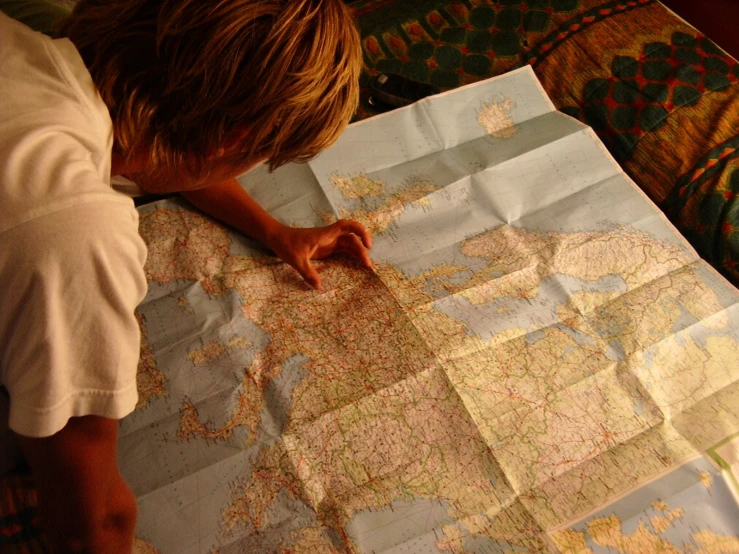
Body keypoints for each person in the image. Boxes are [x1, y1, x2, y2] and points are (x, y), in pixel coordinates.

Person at [0, 0, 371, 551]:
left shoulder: (23, 48)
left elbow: (167, 147)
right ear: (233, 140)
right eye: (261, 153)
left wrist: (272, 230)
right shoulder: (78, 237)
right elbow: (92, 523)